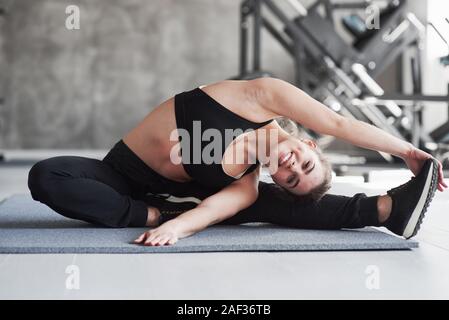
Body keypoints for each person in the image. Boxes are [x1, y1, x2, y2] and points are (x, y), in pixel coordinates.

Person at [27, 78, 447, 246]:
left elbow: (208, 211)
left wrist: (175, 226)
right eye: (303, 162)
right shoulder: (257, 98)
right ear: (309, 145)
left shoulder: (246, 185)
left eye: (290, 177)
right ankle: (149, 211)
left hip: (190, 199)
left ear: (278, 178)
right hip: (122, 175)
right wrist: (407, 151)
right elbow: (337, 121)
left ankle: (386, 209)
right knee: (47, 175)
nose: (290, 166)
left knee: (256, 203)